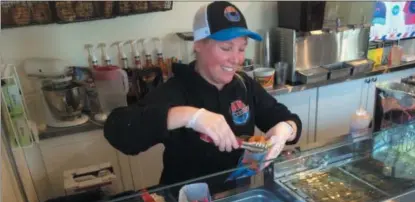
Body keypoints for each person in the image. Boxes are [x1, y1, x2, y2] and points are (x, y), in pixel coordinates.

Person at [104, 1, 302, 191]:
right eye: (226, 47)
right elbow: (118, 130)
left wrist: (286, 129)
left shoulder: (244, 85)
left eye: (241, 48)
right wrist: (190, 116)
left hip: (238, 198)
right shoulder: (177, 89)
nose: (236, 59)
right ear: (198, 44)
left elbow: (288, 119)